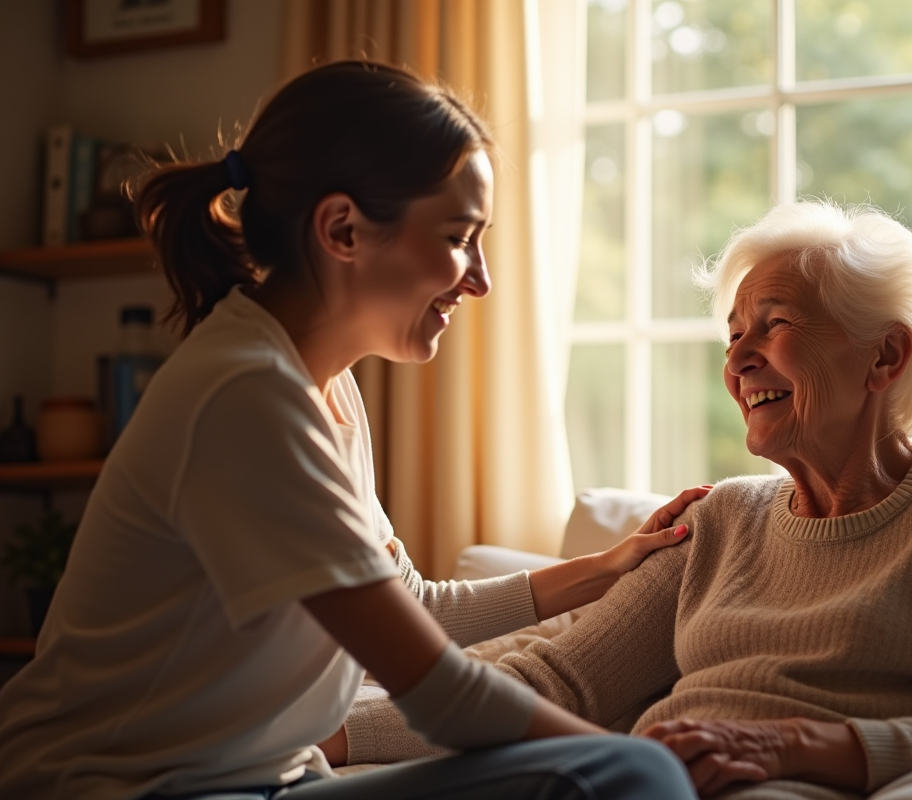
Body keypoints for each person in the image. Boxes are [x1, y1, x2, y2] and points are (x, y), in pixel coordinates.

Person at [0, 61, 706, 800]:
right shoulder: (247, 396)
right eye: (460, 236)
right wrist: (653, 764)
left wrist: (607, 567)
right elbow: (440, 695)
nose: (481, 279)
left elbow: (416, 606)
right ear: (342, 229)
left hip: (261, 780)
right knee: (631, 771)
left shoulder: (322, 386)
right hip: (120, 790)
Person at [340, 200, 912, 799]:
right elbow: (558, 680)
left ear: (885, 356)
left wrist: (792, 747)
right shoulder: (724, 517)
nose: (736, 361)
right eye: (733, 334)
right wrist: (334, 736)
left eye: (776, 325)